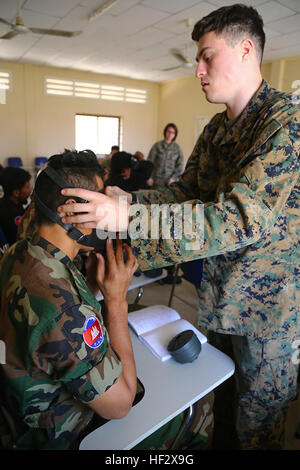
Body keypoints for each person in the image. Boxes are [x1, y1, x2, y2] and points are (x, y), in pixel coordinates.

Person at [56, 4, 299, 450]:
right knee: (220, 401)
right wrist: (128, 201)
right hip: (223, 295)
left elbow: (238, 219)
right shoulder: (216, 131)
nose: (198, 70)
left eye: (207, 56)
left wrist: (129, 217)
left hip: (269, 312)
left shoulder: (286, 124)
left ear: (246, 50)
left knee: (257, 424)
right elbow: (186, 194)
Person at [0, 150, 213, 450]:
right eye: (99, 199)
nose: (108, 208)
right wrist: (116, 301)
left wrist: (95, 286)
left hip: (22, 398)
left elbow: (51, 312)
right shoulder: (65, 312)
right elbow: (120, 404)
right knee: (199, 408)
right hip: (62, 429)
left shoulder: (21, 251)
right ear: (70, 209)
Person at [0, 167, 32, 246]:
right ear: (16, 193)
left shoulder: (13, 204)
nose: (30, 190)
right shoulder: (10, 213)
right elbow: (23, 238)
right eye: (27, 187)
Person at [147, 123, 184, 189]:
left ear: (175, 135)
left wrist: (173, 178)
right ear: (165, 132)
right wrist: (149, 177)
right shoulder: (157, 146)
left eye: (173, 133)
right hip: (156, 181)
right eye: (169, 131)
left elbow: (179, 166)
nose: (170, 134)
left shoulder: (177, 148)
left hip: (170, 182)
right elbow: (149, 162)